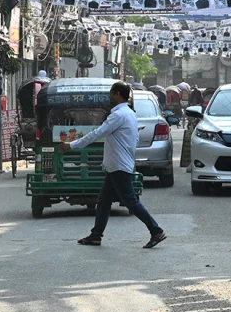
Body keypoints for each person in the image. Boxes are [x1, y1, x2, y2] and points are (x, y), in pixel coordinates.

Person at [65, 82, 166, 248]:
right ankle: (96, 235)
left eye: (111, 93)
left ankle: (156, 230)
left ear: (118, 94)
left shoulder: (118, 116)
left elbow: (97, 133)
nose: (109, 96)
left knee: (131, 201)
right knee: (104, 202)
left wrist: (72, 145)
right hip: (116, 164)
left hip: (119, 165)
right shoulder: (130, 114)